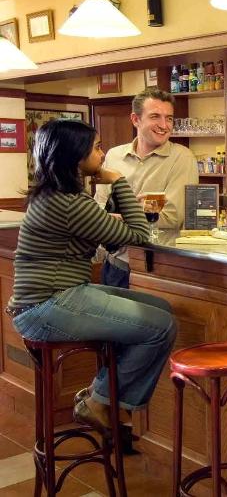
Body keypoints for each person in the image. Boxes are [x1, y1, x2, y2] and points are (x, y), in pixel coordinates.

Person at [6, 119, 176, 439]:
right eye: (96, 147)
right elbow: (139, 234)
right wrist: (119, 181)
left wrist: (110, 216)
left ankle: (106, 397)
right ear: (75, 154)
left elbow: (109, 238)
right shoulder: (70, 203)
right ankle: (101, 401)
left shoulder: (54, 196)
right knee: (161, 327)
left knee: (161, 309)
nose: (101, 154)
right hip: (47, 305)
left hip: (50, 299)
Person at [94, 88, 199, 287]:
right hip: (114, 264)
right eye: (155, 116)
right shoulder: (114, 155)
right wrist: (139, 210)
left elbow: (172, 216)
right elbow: (99, 206)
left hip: (155, 269)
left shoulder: (182, 158)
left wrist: (119, 215)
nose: (164, 125)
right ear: (135, 119)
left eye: (169, 118)